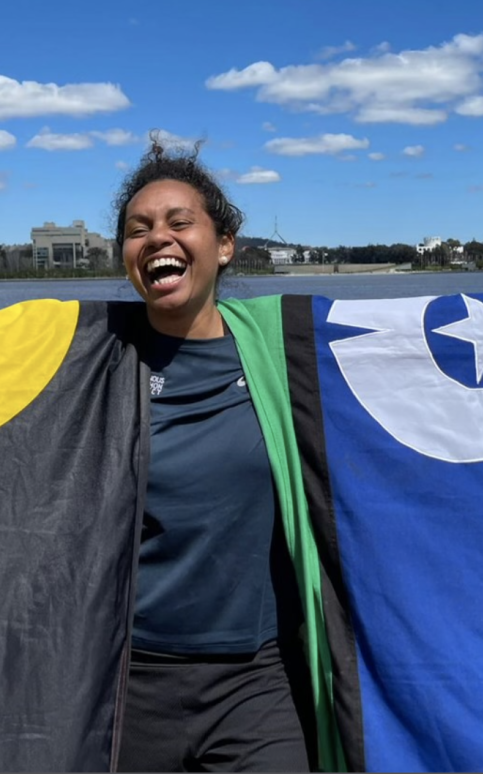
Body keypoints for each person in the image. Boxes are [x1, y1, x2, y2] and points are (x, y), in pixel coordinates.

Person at [112, 138, 313, 772]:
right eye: (137, 229)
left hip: (254, 681)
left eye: (179, 222)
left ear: (224, 244)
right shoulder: (93, 363)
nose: (157, 239)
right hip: (128, 678)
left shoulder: (289, 355)